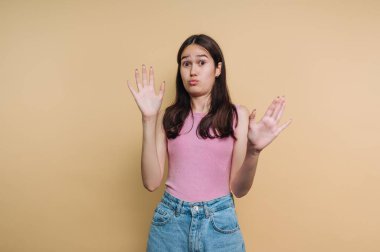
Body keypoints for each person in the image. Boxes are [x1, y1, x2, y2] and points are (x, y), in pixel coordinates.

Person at [127, 34, 292, 252]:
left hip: (219, 224)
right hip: (170, 225)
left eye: (201, 62)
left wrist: (254, 151)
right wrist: (149, 119)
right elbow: (150, 182)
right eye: (186, 64)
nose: (192, 71)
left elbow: (239, 189)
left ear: (217, 69)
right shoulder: (169, 117)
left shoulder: (237, 115)